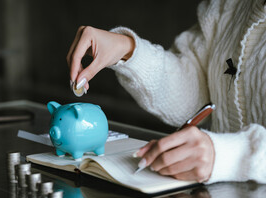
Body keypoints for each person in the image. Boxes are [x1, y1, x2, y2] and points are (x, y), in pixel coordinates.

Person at [66, 0, 266, 184]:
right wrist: (128, 51)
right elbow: (192, 92)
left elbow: (229, 156)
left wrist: (228, 156)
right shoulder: (230, 4)